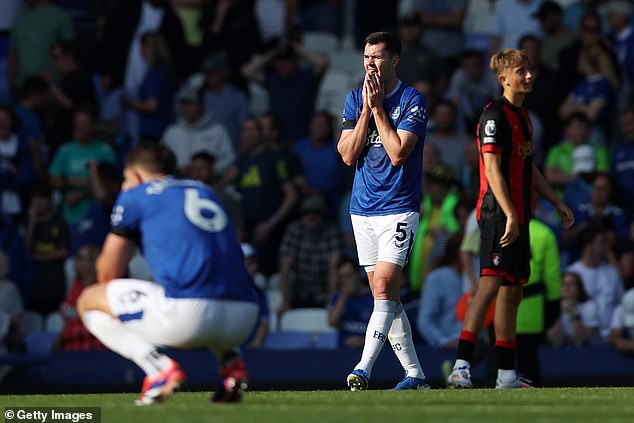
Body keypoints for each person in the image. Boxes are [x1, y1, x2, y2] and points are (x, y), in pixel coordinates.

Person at [77, 143, 259, 405]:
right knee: (207, 283)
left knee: (89, 298)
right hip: (243, 318)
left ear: (137, 177)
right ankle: (231, 363)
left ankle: (159, 369)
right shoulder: (205, 190)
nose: (123, 187)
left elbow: (108, 274)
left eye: (126, 180)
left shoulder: (136, 196)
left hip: (189, 317)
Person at [447, 48, 574, 389]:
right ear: (503, 78)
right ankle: (461, 365)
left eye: (529, 69)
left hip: (519, 214)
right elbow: (490, 168)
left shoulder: (525, 117)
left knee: (513, 291)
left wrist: (555, 201)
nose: (529, 75)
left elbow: (527, 166)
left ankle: (505, 374)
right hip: (496, 214)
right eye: (521, 70)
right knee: (488, 285)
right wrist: (509, 214)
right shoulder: (493, 116)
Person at [337, 32, 430, 391]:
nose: (370, 65)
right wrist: (364, 109)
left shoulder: (412, 100)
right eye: (365, 58)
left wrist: (378, 109)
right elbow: (347, 154)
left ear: (395, 60)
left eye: (377, 57)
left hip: (398, 206)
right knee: (386, 296)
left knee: (384, 285)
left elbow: (397, 153)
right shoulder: (353, 99)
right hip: (362, 209)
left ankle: (362, 368)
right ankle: (416, 375)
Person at [278, 195, 342, 312]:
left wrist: (331, 301)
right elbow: (285, 267)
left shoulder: (331, 231)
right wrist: (286, 301)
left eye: (316, 213)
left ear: (322, 215)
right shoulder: (293, 230)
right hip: (298, 295)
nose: (311, 216)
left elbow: (333, 269)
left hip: (323, 295)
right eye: (307, 213)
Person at [56, 244, 107, 351]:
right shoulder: (73, 288)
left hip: (95, 350)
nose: (81, 263)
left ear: (97, 262)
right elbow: (67, 323)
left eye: (87, 259)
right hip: (71, 349)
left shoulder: (104, 288)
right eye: (79, 258)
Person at [416, 233, 464, 348]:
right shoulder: (437, 278)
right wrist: (444, 341)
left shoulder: (480, 279)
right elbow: (425, 321)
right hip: (448, 349)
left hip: (478, 349)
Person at [328, 256, 374, 349]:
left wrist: (362, 341)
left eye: (348, 276)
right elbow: (332, 322)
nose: (345, 281)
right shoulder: (338, 297)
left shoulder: (372, 298)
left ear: (358, 275)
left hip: (367, 351)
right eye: (342, 277)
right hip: (343, 353)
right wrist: (344, 295)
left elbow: (385, 331)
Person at [547, 271, 600, 347]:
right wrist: (558, 312)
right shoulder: (551, 306)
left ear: (579, 288)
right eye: (563, 284)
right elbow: (555, 341)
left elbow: (581, 340)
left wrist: (575, 314)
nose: (567, 287)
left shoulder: (590, 306)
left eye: (572, 284)